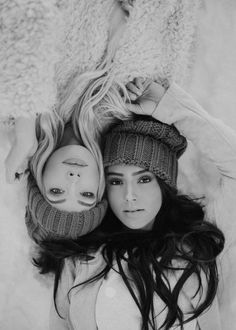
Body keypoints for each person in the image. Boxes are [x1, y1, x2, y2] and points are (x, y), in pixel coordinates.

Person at [33, 77, 236, 330]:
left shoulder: (200, 245)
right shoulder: (82, 255)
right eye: (116, 182)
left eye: (144, 179)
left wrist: (169, 107)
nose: (129, 195)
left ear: (164, 184)